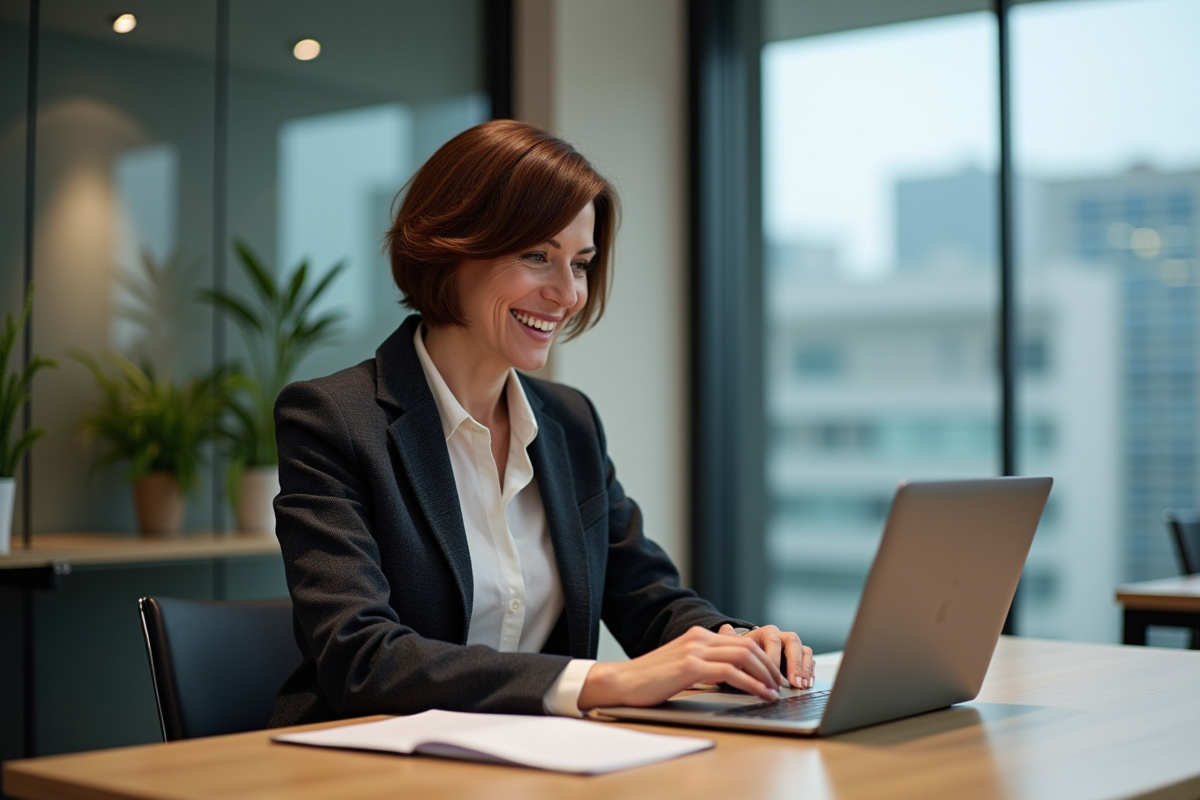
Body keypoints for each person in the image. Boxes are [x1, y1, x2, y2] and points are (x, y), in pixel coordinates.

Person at [269, 119, 814, 727]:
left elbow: (649, 600)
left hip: (532, 766)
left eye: (580, 264)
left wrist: (737, 645)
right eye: (537, 256)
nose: (568, 294)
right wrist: (606, 681)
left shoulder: (569, 422)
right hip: (366, 769)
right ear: (452, 245)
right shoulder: (333, 419)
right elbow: (361, 658)